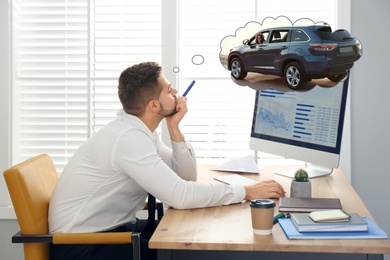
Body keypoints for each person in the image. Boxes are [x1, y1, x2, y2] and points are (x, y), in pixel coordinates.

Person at [48, 61, 285, 260]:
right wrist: (246, 192)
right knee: (190, 250)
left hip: (106, 234)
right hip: (80, 247)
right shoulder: (128, 139)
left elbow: (185, 176)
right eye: (170, 90)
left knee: (190, 238)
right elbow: (181, 195)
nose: (177, 93)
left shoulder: (139, 130)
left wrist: (174, 127)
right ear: (153, 105)